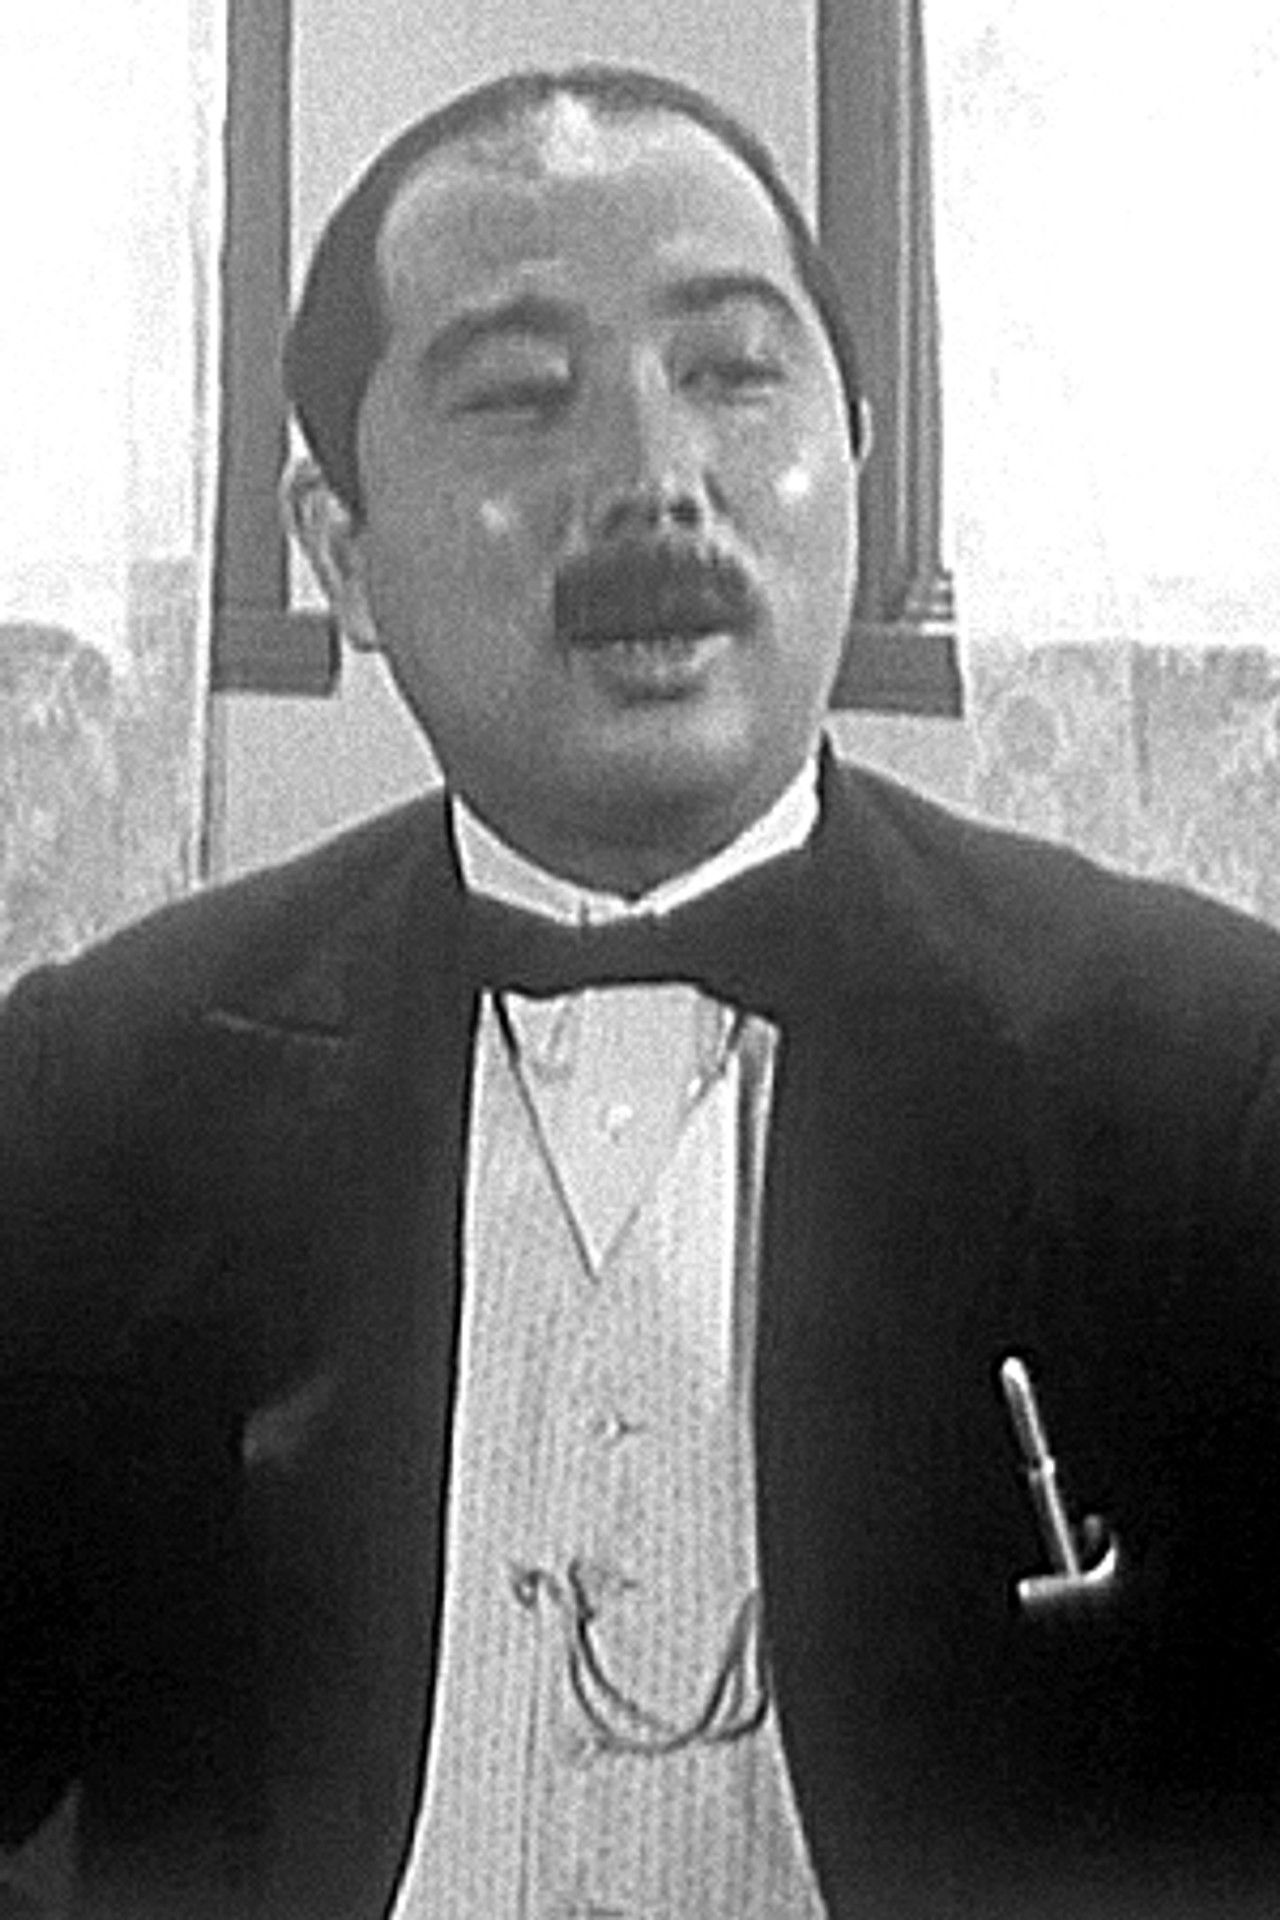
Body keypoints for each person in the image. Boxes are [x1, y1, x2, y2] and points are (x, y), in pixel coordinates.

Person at [3, 61, 1280, 1920]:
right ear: (342, 551)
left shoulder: (1210, 1080)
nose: (655, 480)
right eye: (520, 395)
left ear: (857, 454)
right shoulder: (96, 1095)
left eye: (736, 371)